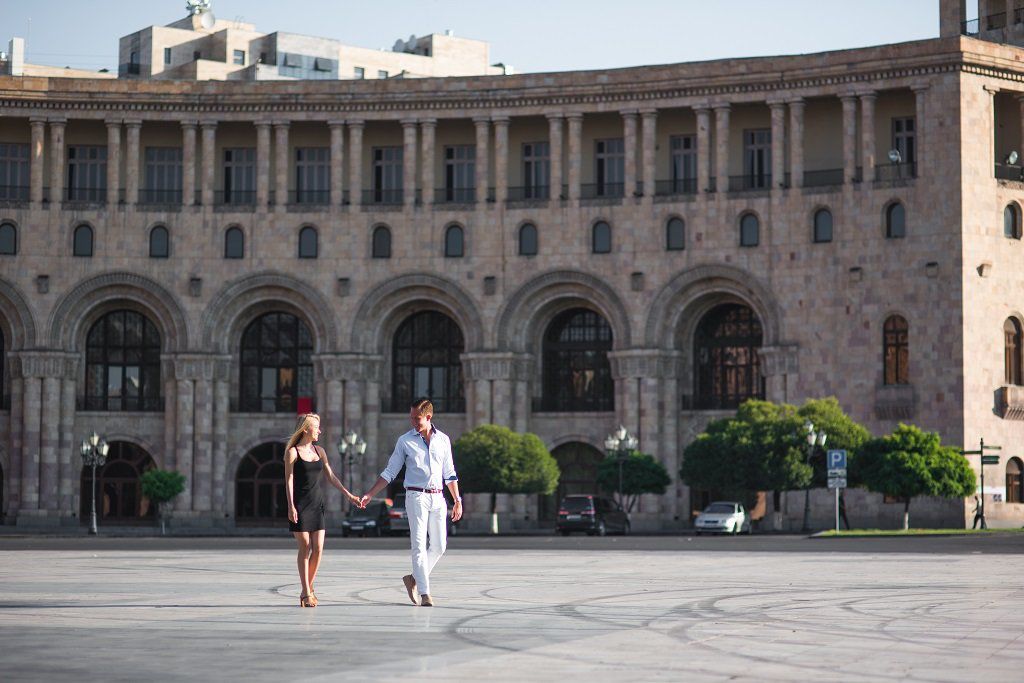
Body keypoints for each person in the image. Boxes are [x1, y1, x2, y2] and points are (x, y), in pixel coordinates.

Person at [359, 398, 462, 607]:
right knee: (418, 545)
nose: (413, 422)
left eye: (417, 418)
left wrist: (457, 500)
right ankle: (425, 593)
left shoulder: (443, 440)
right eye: (411, 418)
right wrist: (370, 494)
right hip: (416, 497)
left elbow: (450, 473)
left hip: (438, 497)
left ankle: (414, 578)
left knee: (440, 546)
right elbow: (390, 471)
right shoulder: (405, 441)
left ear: (429, 417)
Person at [284, 412, 361, 607]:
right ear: (306, 429)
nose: (320, 431)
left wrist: (348, 494)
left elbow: (331, 476)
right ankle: (306, 592)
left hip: (316, 503)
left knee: (318, 548)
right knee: (305, 546)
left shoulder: (320, 451)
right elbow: (289, 480)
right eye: (316, 427)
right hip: (300, 504)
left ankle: (307, 589)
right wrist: (291, 505)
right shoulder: (292, 452)